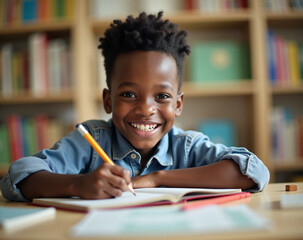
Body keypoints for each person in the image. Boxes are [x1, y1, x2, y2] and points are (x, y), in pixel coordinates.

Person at [0, 12, 269, 201]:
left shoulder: (186, 146)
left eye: (162, 97)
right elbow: (18, 177)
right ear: (108, 100)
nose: (145, 109)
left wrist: (157, 179)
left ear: (178, 104)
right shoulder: (92, 141)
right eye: (129, 94)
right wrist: (79, 184)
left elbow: (253, 171)